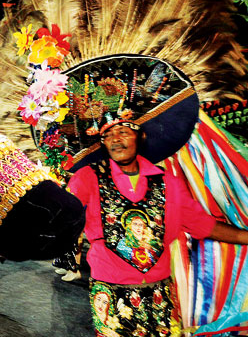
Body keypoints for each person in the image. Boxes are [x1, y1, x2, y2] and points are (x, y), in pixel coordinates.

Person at [68, 119, 248, 336]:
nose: (115, 139)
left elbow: (203, 225)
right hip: (111, 293)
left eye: (123, 131)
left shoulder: (167, 182)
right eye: (108, 135)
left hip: (159, 293)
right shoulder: (88, 178)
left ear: (140, 137)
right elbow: (65, 215)